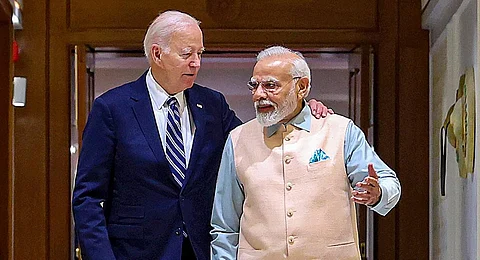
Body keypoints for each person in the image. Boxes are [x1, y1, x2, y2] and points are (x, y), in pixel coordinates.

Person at [72, 11, 330, 260]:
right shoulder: (112, 108)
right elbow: (88, 198)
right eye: (187, 54)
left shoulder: (212, 105)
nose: (196, 62)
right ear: (157, 54)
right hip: (136, 251)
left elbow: (257, 141)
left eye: (200, 53)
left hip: (200, 249)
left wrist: (298, 109)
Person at [210, 46, 402, 260]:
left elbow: (389, 183)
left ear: (302, 87)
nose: (258, 95)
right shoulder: (238, 139)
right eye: (254, 86)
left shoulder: (340, 131)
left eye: (270, 86)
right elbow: (224, 226)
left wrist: (378, 194)